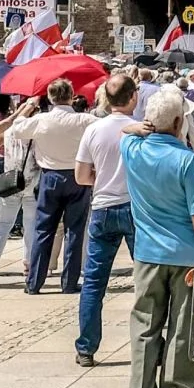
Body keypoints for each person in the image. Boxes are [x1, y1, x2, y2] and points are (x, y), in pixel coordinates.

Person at [122, 88, 194, 388]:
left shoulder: (132, 149)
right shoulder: (188, 161)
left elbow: (123, 130)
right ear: (179, 122)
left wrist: (137, 127)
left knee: (145, 324)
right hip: (185, 253)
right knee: (182, 325)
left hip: (147, 252)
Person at [75, 74, 142, 363]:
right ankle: (148, 343)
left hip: (102, 206)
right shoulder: (140, 130)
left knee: (93, 283)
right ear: (133, 98)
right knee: (146, 280)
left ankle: (86, 347)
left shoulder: (94, 129)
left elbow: (81, 176)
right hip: (134, 206)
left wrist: (101, 176)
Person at [21, 81, 94, 296]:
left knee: (43, 229)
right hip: (77, 175)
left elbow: (17, 129)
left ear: (50, 98)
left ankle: (34, 282)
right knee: (75, 231)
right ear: (72, 95)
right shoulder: (84, 120)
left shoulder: (41, 120)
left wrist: (27, 107)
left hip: (49, 176)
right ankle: (69, 282)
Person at [0, 95, 32, 274]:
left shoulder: (10, 131)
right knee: (29, 224)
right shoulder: (34, 132)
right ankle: (28, 264)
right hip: (30, 181)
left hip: (10, 179)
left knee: (4, 223)